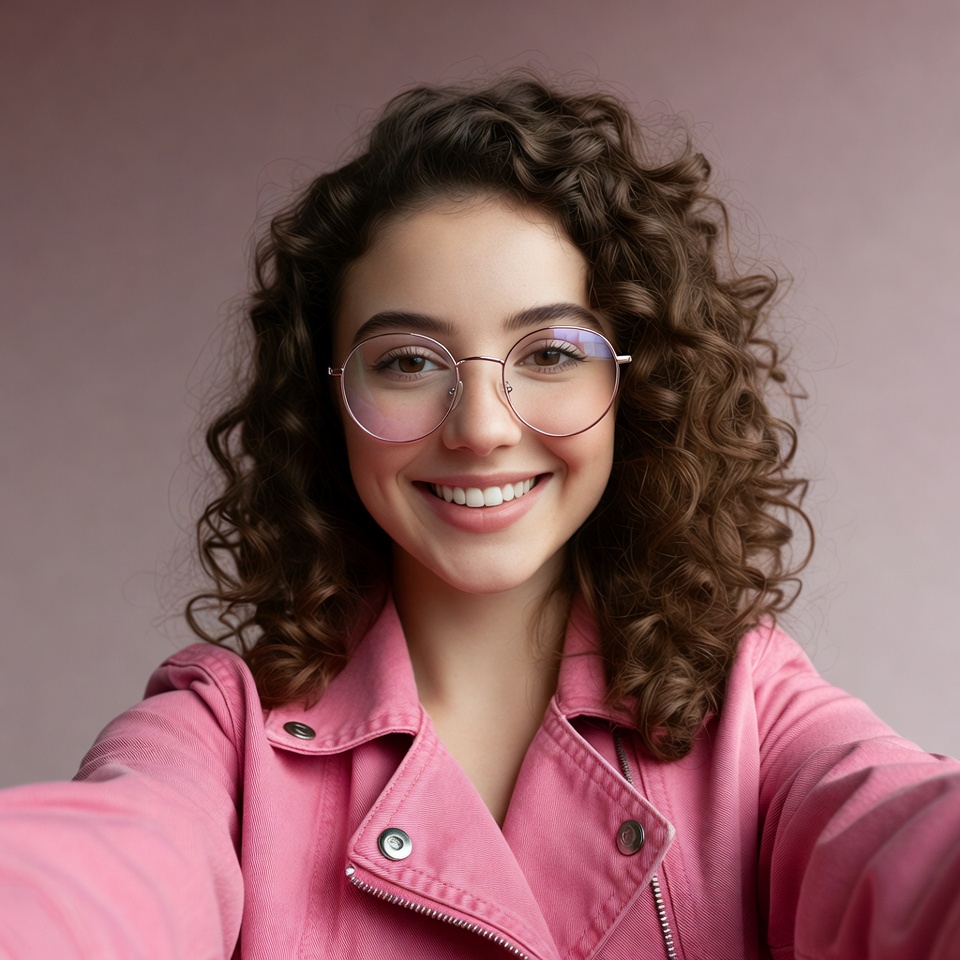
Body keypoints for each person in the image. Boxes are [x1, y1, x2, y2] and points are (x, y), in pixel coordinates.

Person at [1, 72, 959, 960]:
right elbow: (96, 875)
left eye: (550, 352)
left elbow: (908, 842)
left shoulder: (754, 713)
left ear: (638, 385)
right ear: (328, 402)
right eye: (410, 362)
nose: (482, 430)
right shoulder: (222, 737)